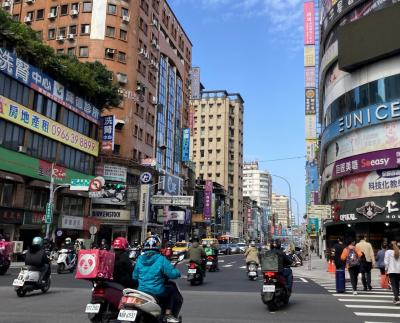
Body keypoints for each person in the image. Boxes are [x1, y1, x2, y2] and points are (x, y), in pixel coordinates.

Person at [133, 235, 182, 323]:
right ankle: (168, 314)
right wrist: (178, 273)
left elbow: (134, 276)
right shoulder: (161, 259)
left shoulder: (139, 259)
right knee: (171, 289)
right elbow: (172, 274)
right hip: (157, 291)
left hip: (141, 291)